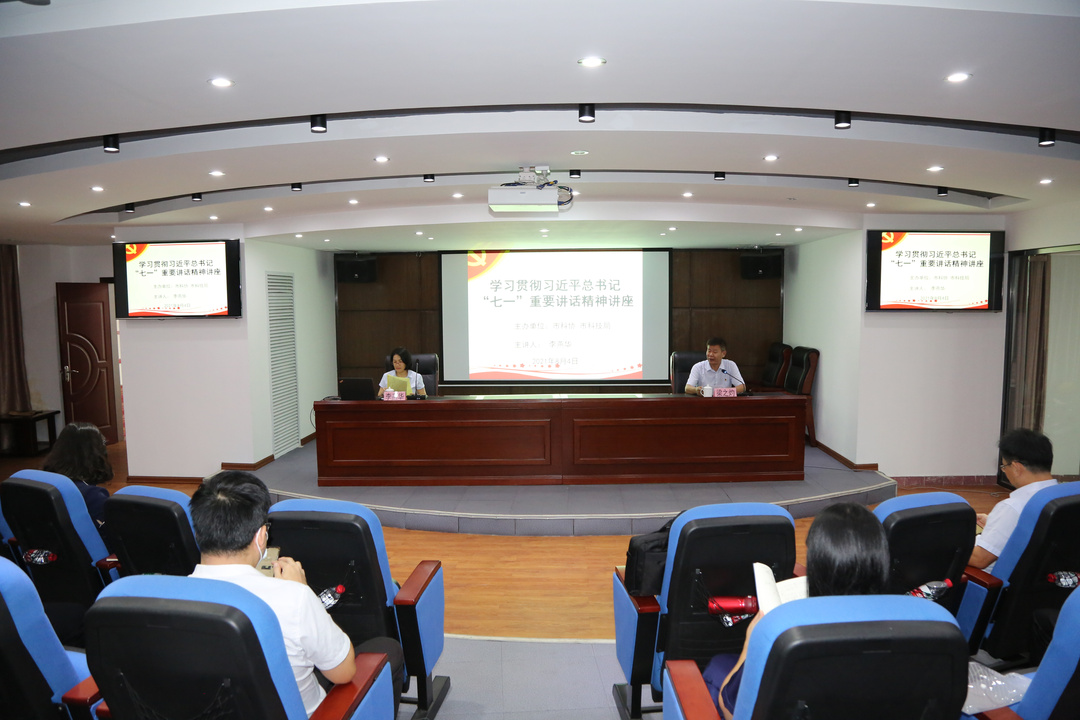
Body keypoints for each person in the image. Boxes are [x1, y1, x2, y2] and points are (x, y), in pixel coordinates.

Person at [188, 471, 403, 717]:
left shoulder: (164, 598)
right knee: (388, 649)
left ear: (198, 532)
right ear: (261, 536)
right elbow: (344, 673)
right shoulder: (293, 598)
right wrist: (302, 590)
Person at [702, 502, 890, 718]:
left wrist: (749, 643)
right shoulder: (912, 621)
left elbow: (732, 711)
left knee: (717, 667)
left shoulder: (792, 634)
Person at [968, 428, 1059, 571]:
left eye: (1004, 467)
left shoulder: (1013, 507)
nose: (1005, 472)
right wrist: (994, 523)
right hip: (1051, 578)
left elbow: (980, 559)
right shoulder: (1064, 498)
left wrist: (942, 545)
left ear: (1017, 467)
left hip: (989, 580)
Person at [41, 422, 114, 550]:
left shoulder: (43, 485)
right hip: (94, 558)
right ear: (97, 454)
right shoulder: (93, 496)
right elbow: (110, 537)